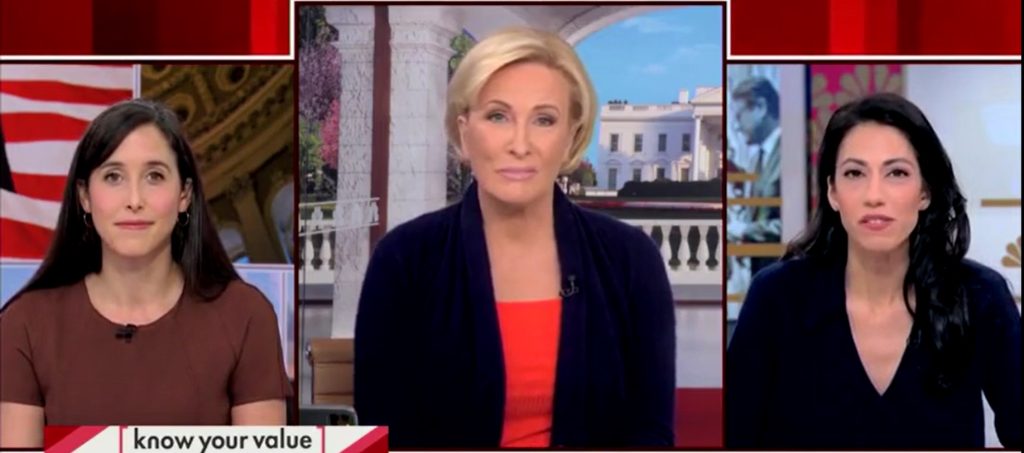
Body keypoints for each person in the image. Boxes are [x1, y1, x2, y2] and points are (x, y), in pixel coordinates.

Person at [354, 27, 675, 449]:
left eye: (544, 120)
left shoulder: (631, 259)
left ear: (571, 137)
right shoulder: (404, 259)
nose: (520, 145)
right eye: (498, 116)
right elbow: (384, 434)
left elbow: (650, 431)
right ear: (464, 131)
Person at [725, 93, 1021, 449]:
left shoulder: (980, 297)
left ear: (925, 192)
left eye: (896, 173)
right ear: (833, 192)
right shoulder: (776, 298)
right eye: (855, 173)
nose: (874, 195)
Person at [0, 100, 291, 448]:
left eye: (154, 176)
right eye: (113, 176)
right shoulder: (26, 323)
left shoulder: (246, 316)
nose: (134, 199)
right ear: (85, 197)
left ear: (184, 195)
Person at [726, 77, 782, 276]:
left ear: (760, 107)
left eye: (739, 116)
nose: (736, 126)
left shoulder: (792, 152)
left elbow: (799, 223)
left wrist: (744, 231)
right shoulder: (755, 159)